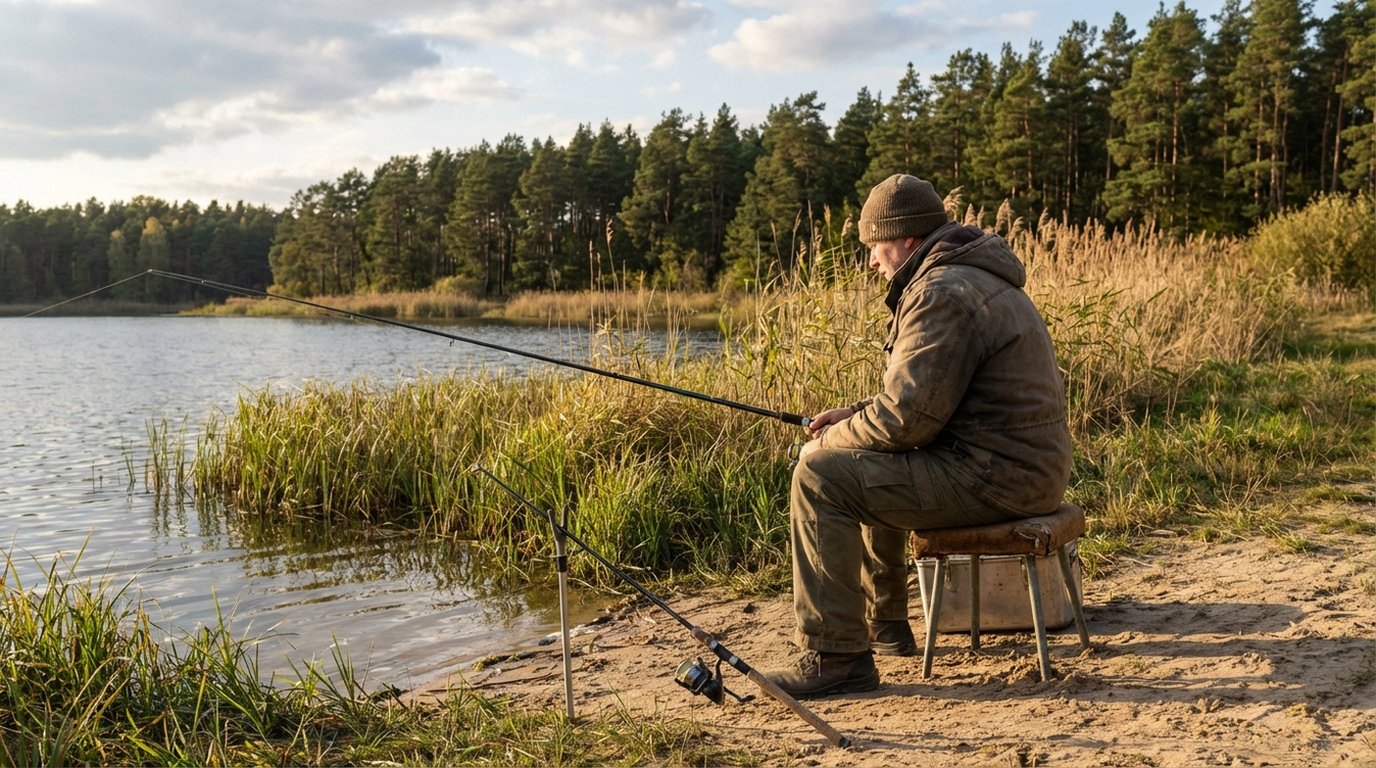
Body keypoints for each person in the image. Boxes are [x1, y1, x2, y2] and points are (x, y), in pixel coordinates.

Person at [763, 174, 1072, 698]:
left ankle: (837, 659)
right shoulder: (970, 276)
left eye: (875, 247)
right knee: (857, 451)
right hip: (1025, 468)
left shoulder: (940, 292)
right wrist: (852, 416)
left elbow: (905, 422)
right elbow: (931, 401)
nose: (871, 262)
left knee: (819, 475)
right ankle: (885, 628)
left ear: (906, 239)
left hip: (998, 477)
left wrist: (827, 443)